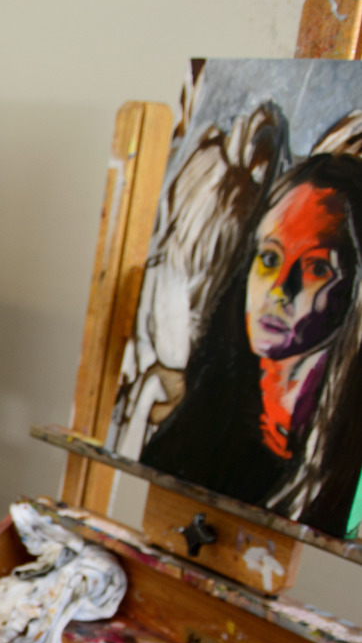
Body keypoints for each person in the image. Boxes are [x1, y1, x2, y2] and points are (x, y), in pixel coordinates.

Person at [141, 153, 362, 538]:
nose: (279, 290)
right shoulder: (195, 429)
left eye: (316, 268)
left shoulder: (335, 469)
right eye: (270, 258)